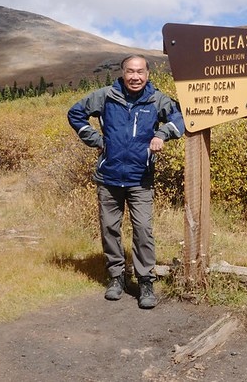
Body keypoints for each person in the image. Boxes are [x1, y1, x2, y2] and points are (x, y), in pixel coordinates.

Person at [67, 54, 185, 309]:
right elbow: (76, 113)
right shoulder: (106, 96)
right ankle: (117, 277)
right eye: (130, 71)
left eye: (140, 71)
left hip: (139, 178)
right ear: (122, 73)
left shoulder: (156, 99)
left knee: (143, 230)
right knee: (110, 229)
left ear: (148, 73)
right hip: (108, 177)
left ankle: (145, 282)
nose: (135, 76)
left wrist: (162, 134)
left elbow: (180, 118)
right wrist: (96, 140)